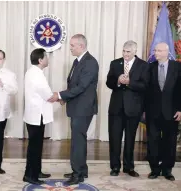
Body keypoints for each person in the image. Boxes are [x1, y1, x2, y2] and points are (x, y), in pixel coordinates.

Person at [48, 34, 99, 185]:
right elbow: (74, 85)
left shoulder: (89, 62)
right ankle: (81, 170)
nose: (70, 48)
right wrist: (65, 98)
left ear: (81, 46)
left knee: (78, 141)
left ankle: (77, 175)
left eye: (72, 46)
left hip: (83, 108)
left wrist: (59, 95)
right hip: (77, 106)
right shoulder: (79, 61)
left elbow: (81, 87)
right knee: (79, 140)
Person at [106, 40, 149, 177]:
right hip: (116, 109)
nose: (125, 54)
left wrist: (130, 82)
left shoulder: (143, 65)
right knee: (114, 139)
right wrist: (117, 81)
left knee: (130, 139)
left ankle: (129, 167)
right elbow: (109, 82)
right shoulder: (115, 63)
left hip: (133, 109)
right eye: (124, 51)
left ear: (135, 51)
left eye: (128, 52)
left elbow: (145, 86)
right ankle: (115, 167)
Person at [146, 42, 181, 181]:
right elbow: (146, 91)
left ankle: (167, 170)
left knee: (170, 142)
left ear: (167, 52)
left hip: (171, 111)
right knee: (153, 141)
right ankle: (154, 169)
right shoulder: (150, 67)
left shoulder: (177, 67)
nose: (156, 53)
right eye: (155, 50)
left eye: (159, 50)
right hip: (152, 112)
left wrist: (180, 109)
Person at [23, 48, 53, 185]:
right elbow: (48, 95)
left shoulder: (33, 72)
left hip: (34, 114)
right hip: (37, 114)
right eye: (46, 57)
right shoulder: (37, 74)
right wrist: (61, 97)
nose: (48, 59)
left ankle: (36, 171)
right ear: (40, 60)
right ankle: (30, 175)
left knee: (37, 145)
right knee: (35, 146)